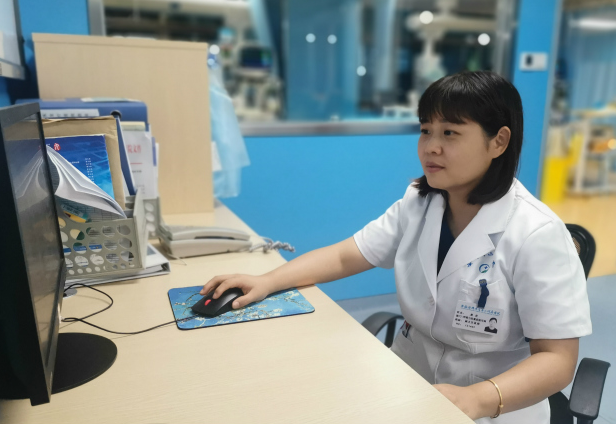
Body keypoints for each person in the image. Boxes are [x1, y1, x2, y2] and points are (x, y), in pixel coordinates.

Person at [200, 71, 592, 424]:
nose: (430, 147)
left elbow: (557, 359)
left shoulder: (537, 234)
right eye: (425, 130)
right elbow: (345, 255)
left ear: (498, 142)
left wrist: (477, 399)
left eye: (450, 133)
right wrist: (267, 281)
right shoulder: (419, 203)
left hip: (490, 405)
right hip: (406, 380)